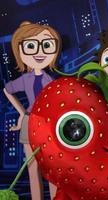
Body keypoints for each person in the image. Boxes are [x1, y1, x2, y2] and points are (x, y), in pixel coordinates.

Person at [3, 21, 62, 200]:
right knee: (32, 165)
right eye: (31, 46)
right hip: (30, 123)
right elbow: (7, 90)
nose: (39, 52)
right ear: (20, 50)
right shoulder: (25, 79)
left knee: (51, 165)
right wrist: (22, 114)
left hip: (47, 124)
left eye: (46, 46)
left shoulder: (51, 81)